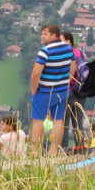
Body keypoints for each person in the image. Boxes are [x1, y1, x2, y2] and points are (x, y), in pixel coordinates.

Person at [29, 23, 74, 155]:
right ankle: (54, 150)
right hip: (62, 90)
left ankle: (34, 151)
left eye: (45, 34)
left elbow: (36, 74)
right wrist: (67, 82)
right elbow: (73, 67)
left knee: (38, 120)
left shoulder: (45, 51)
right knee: (58, 120)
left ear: (54, 35)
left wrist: (34, 89)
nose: (42, 37)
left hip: (44, 91)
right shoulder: (68, 48)